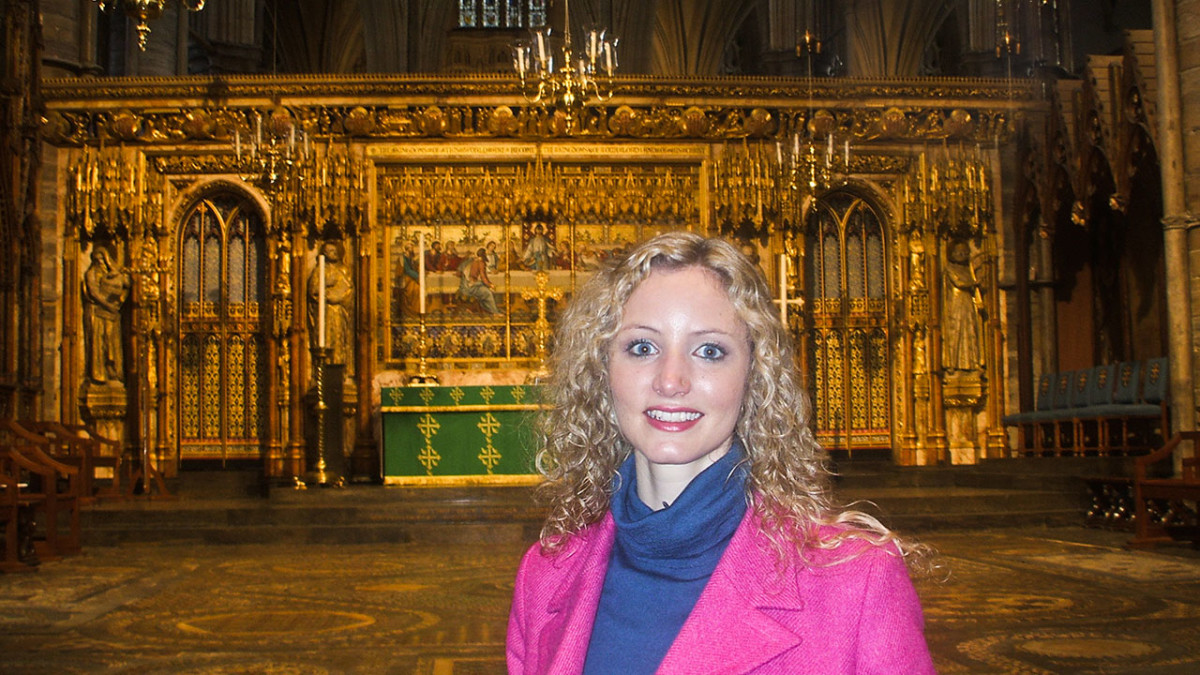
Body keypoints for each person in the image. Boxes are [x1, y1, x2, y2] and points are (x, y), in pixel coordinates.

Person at [507, 232, 934, 674]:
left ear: (753, 375)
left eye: (709, 351)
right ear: (602, 370)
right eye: (643, 347)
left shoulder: (857, 582)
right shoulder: (544, 576)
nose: (671, 380)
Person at [82, 246, 131, 384]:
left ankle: (113, 370)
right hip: (98, 313)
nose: (101, 263)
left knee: (112, 342)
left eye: (103, 260)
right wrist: (107, 305)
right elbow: (93, 293)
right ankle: (99, 374)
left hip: (112, 313)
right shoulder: (91, 273)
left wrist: (118, 273)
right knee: (100, 342)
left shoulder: (111, 273)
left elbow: (127, 283)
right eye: (97, 260)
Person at [308, 240, 354, 375]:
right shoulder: (320, 270)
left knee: (339, 341)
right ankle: (322, 370)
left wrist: (338, 297)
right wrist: (326, 289)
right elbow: (313, 291)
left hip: (339, 312)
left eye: (334, 251)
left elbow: (349, 291)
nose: (331, 254)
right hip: (325, 312)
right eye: (328, 251)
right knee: (325, 340)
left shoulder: (344, 270)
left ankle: (339, 369)